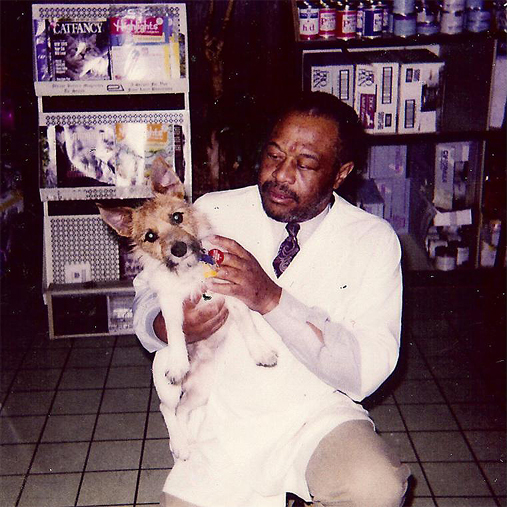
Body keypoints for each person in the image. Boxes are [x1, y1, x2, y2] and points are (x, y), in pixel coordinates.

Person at [133, 91, 411, 507]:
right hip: (222, 414)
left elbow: (367, 371)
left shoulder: (372, 240)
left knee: (375, 486)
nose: (281, 175)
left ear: (340, 174)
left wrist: (271, 298)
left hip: (312, 412)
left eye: (305, 164)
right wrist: (163, 323)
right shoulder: (212, 210)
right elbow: (146, 295)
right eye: (274, 156)